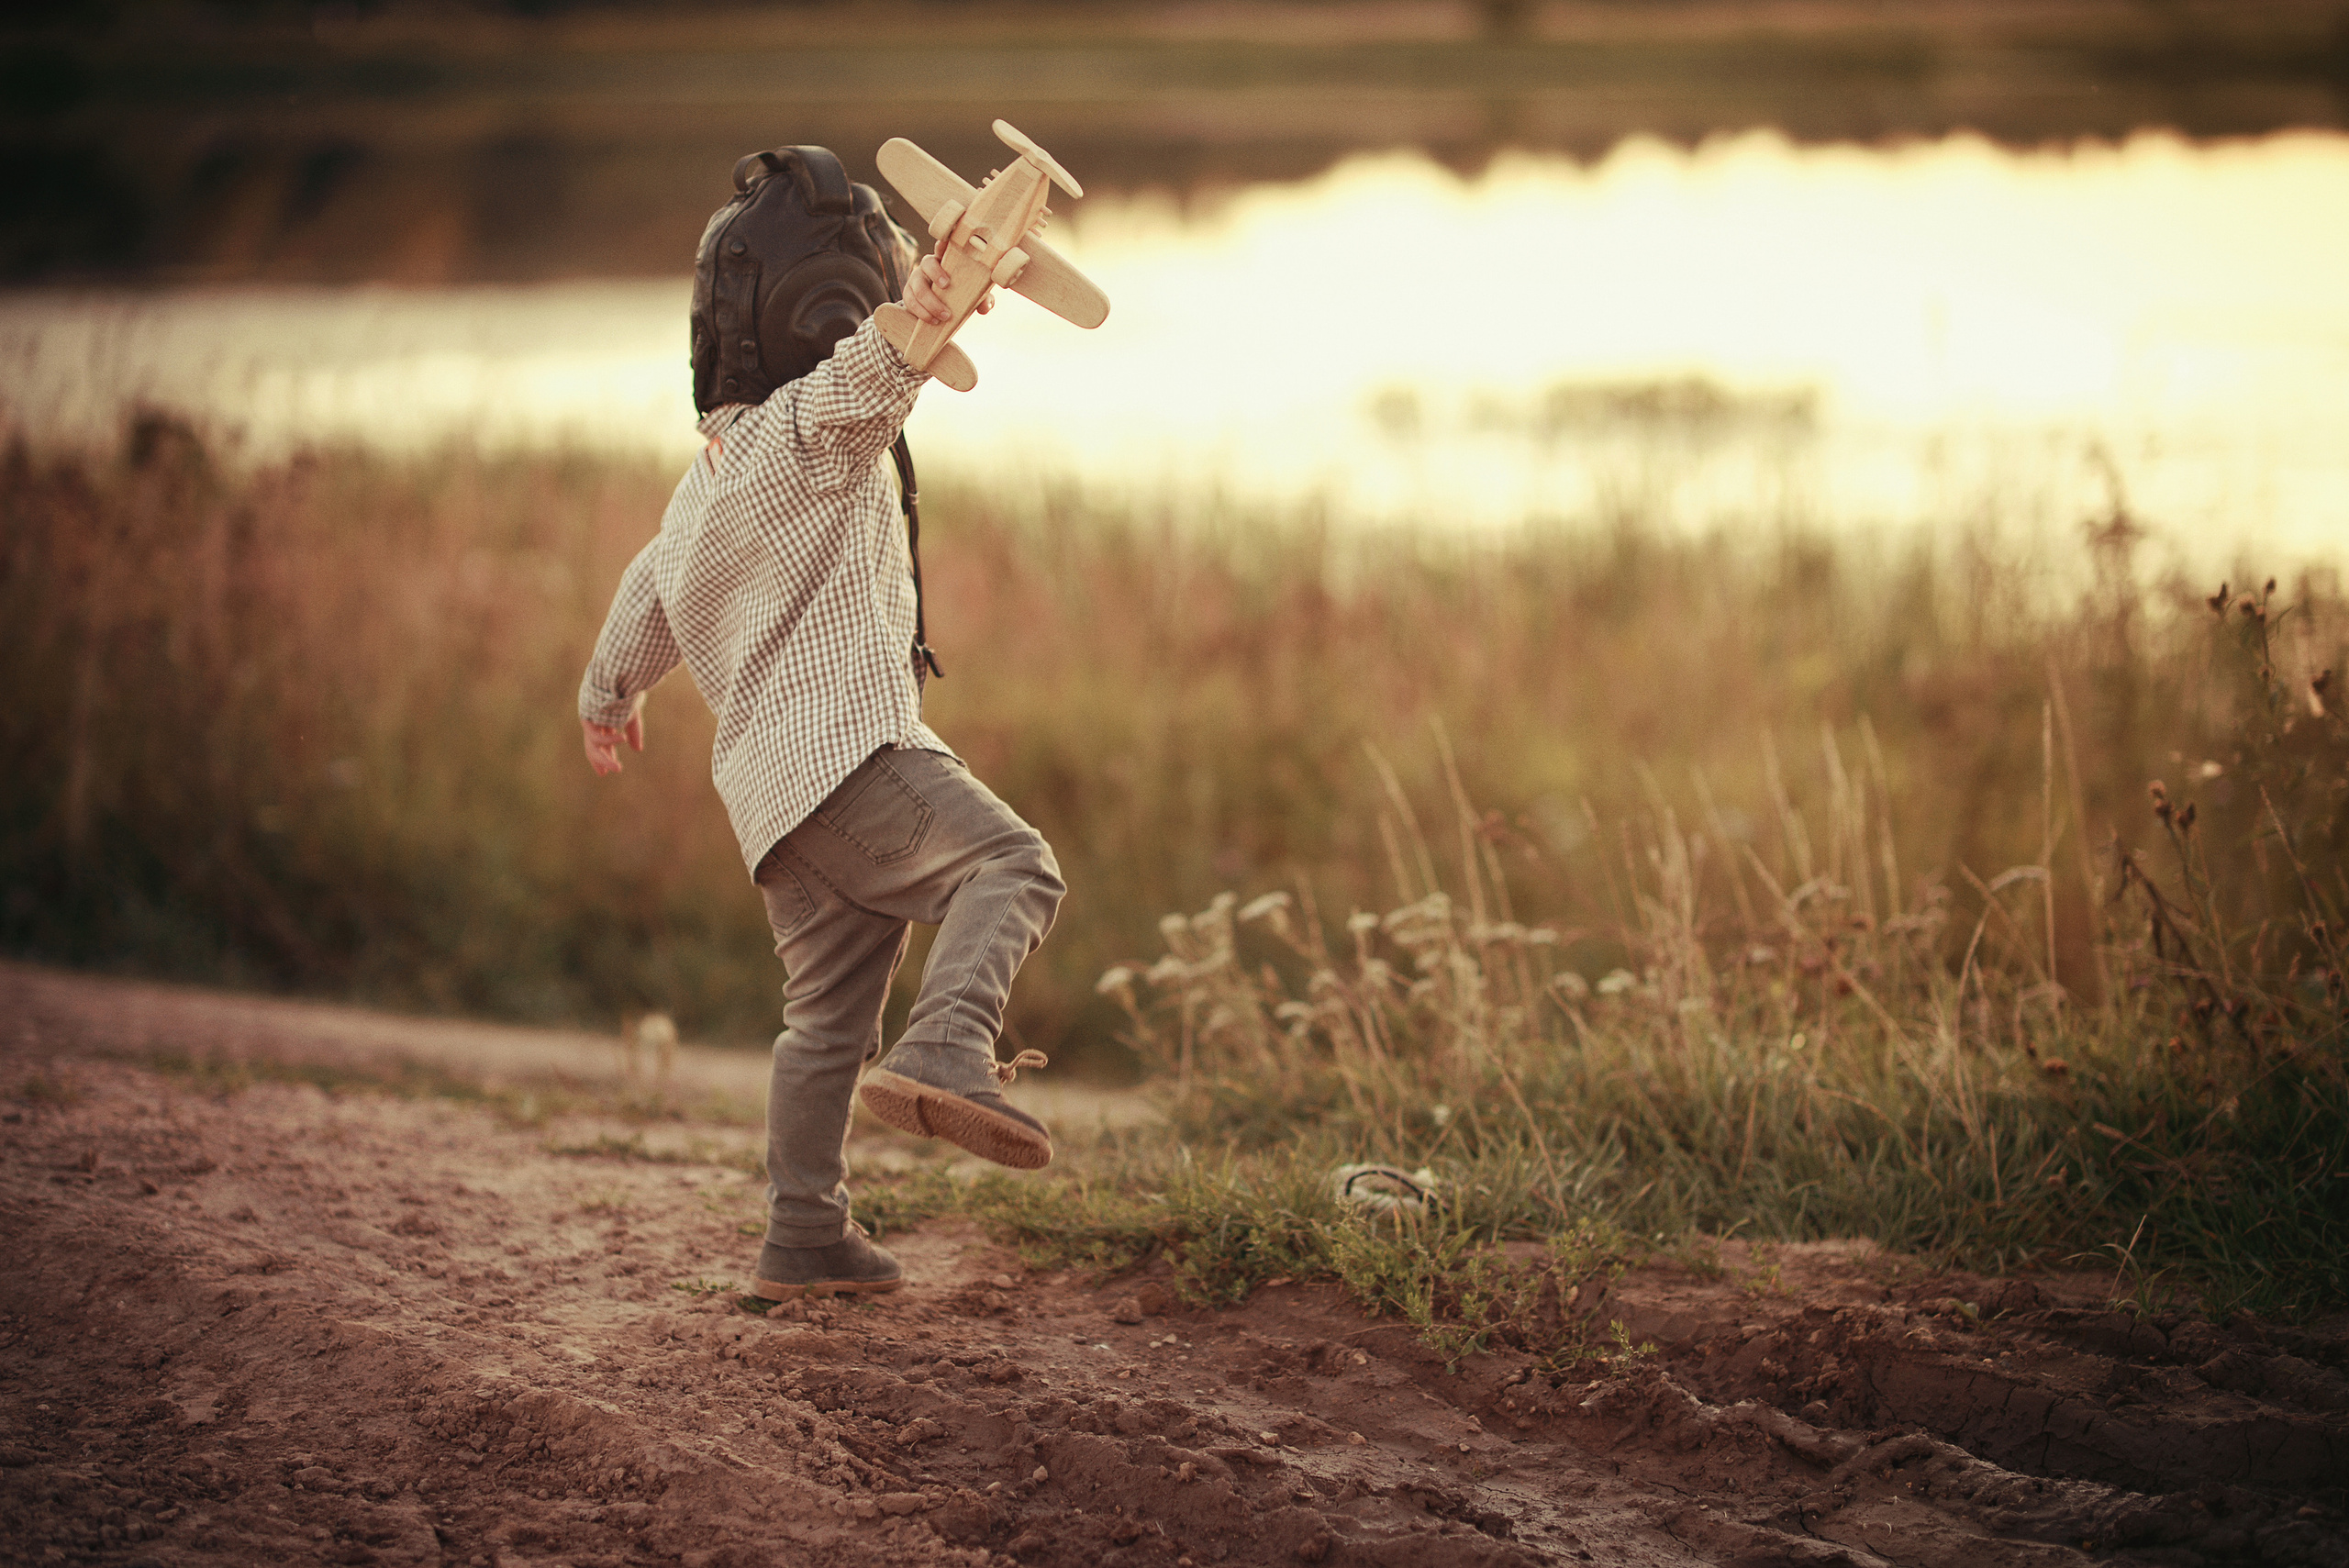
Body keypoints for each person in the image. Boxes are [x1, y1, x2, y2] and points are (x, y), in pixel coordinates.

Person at [575, 145, 1064, 1303]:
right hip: (849, 762)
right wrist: (935, 298)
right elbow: (873, 375)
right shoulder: (813, 433)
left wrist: (607, 698)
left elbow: (642, 604)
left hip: (770, 812)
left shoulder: (699, 491)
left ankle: (803, 1234)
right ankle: (948, 1047)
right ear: (832, 313)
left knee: (825, 1025)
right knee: (1012, 863)